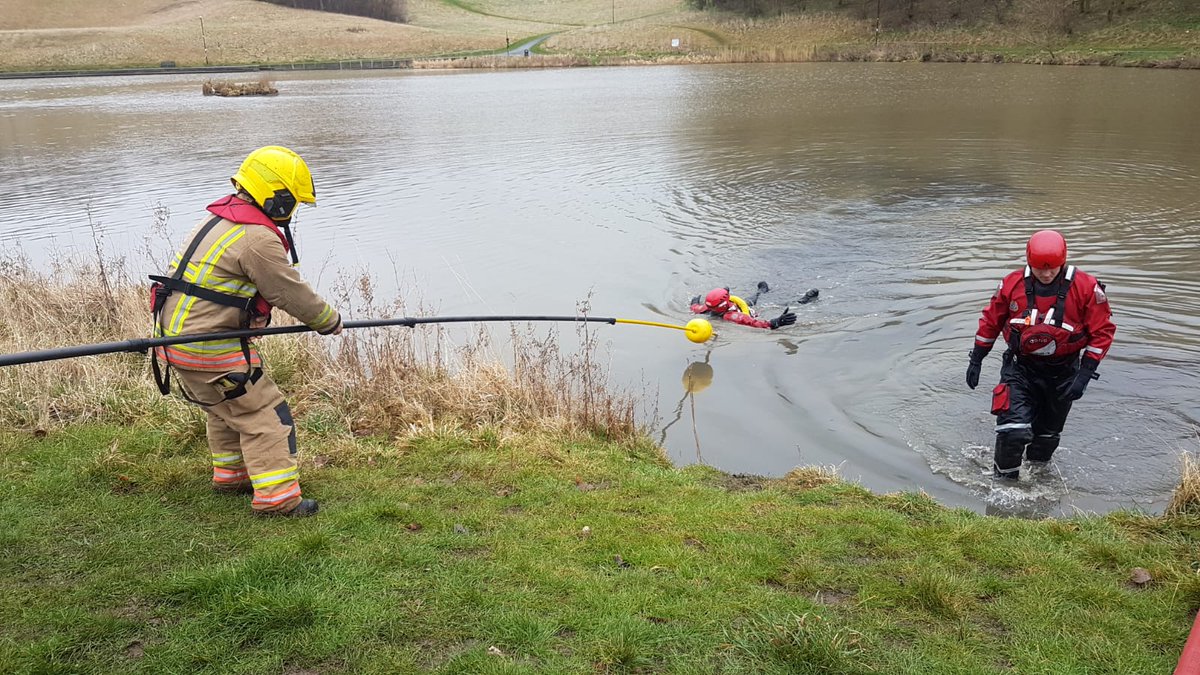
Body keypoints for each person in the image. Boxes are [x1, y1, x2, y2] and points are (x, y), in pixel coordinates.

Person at [150, 146, 343, 517]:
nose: (292, 211)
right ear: (277, 196)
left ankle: (232, 475)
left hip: (174, 343)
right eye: (292, 202)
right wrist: (328, 321)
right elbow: (287, 290)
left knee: (224, 410)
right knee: (265, 415)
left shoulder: (217, 221)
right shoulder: (257, 238)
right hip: (210, 349)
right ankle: (278, 499)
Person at [966, 229, 1116, 480]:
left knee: (1045, 443)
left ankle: (1037, 486)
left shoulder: (1086, 288)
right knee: (1012, 431)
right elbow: (990, 322)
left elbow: (1102, 332)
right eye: (1039, 269)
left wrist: (1084, 376)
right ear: (1028, 262)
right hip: (1020, 368)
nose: (1046, 275)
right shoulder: (1011, 284)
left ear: (1063, 262)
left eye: (1053, 269)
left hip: (1063, 372)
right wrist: (976, 359)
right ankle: (1004, 486)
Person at [689, 282, 811, 330]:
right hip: (740, 303)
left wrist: (775, 322)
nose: (710, 310)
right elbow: (696, 307)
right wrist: (694, 302)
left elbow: (754, 323)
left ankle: (806, 299)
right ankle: (760, 291)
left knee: (781, 304)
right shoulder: (708, 307)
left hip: (747, 308)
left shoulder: (733, 316)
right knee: (750, 299)